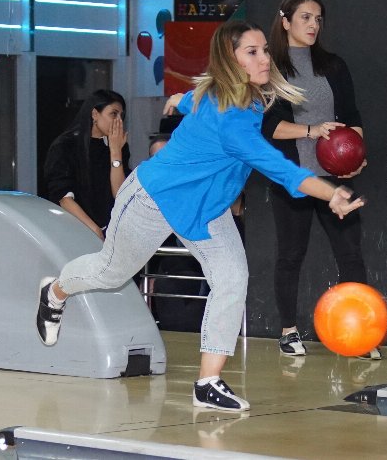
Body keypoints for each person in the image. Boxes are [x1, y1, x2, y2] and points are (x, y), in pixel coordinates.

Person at [35, 20, 364, 412]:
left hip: (207, 209)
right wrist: (331, 192)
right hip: (154, 199)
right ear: (232, 61)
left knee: (232, 277)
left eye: (264, 50)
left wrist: (179, 99)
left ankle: (208, 382)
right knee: (111, 273)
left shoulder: (239, 97)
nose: (264, 58)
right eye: (252, 52)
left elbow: (197, 98)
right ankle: (54, 291)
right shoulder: (233, 123)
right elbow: (281, 170)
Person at [263, 0, 379, 360]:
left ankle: (360, 334)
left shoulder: (333, 65)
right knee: (291, 255)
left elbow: (352, 117)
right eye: (305, 18)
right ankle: (288, 331)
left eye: (318, 19)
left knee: (351, 254)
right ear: (286, 21)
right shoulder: (271, 69)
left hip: (335, 179)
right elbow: (268, 127)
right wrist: (311, 130)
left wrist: (355, 159)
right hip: (293, 179)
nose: (313, 25)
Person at [43, 89, 130, 241]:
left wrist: (116, 152)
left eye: (121, 116)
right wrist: (94, 229)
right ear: (95, 114)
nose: (119, 121)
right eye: (113, 114)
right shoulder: (66, 145)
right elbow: (63, 197)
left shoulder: (118, 145)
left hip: (112, 231)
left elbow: (120, 193)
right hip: (73, 231)